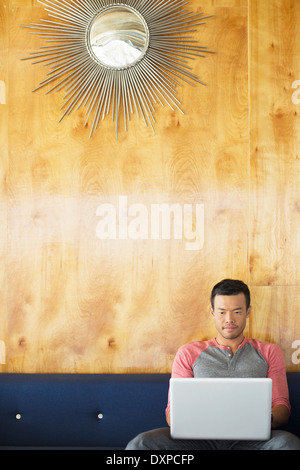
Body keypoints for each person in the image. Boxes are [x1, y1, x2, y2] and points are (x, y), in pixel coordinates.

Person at [126, 279, 300, 450]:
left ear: (248, 312)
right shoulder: (189, 352)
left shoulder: (269, 351)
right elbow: (173, 415)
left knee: (288, 443)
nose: (229, 319)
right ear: (212, 312)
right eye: (222, 312)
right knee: (140, 444)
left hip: (251, 440)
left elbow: (282, 409)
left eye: (237, 312)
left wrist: (257, 419)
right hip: (197, 441)